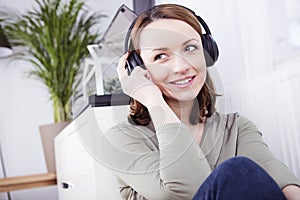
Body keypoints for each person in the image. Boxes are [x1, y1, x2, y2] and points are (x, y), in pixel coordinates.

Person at [102, 3, 300, 200]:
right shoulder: (121, 139)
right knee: (235, 170)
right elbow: (186, 191)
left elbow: (282, 185)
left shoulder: (236, 128)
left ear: (207, 53)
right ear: (137, 68)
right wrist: (152, 99)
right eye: (161, 56)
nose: (181, 67)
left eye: (190, 48)